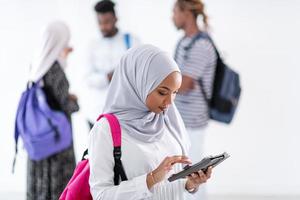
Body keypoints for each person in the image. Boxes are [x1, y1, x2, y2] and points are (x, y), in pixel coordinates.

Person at [88, 44, 213, 200]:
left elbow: (166, 187)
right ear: (138, 82)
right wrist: (151, 179)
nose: (169, 102)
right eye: (162, 92)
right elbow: (101, 195)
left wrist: (189, 184)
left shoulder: (167, 122)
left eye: (174, 93)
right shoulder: (105, 130)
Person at [26, 21, 79, 200]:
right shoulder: (54, 68)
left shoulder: (37, 64)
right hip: (57, 140)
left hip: (41, 137)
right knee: (58, 186)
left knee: (42, 181)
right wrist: (75, 102)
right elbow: (64, 104)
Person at [172, 0, 217, 199]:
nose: (172, 16)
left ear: (186, 13)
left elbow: (185, 83)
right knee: (184, 173)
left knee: (196, 173)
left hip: (193, 121)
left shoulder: (201, 45)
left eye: (174, 11)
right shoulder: (184, 42)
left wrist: (157, 88)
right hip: (181, 120)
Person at [83, 0, 140, 129]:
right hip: (97, 114)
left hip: (125, 116)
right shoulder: (91, 45)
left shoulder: (132, 41)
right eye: (100, 22)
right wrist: (107, 77)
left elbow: (141, 73)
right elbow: (87, 78)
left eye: (107, 22)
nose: (104, 27)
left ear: (116, 19)